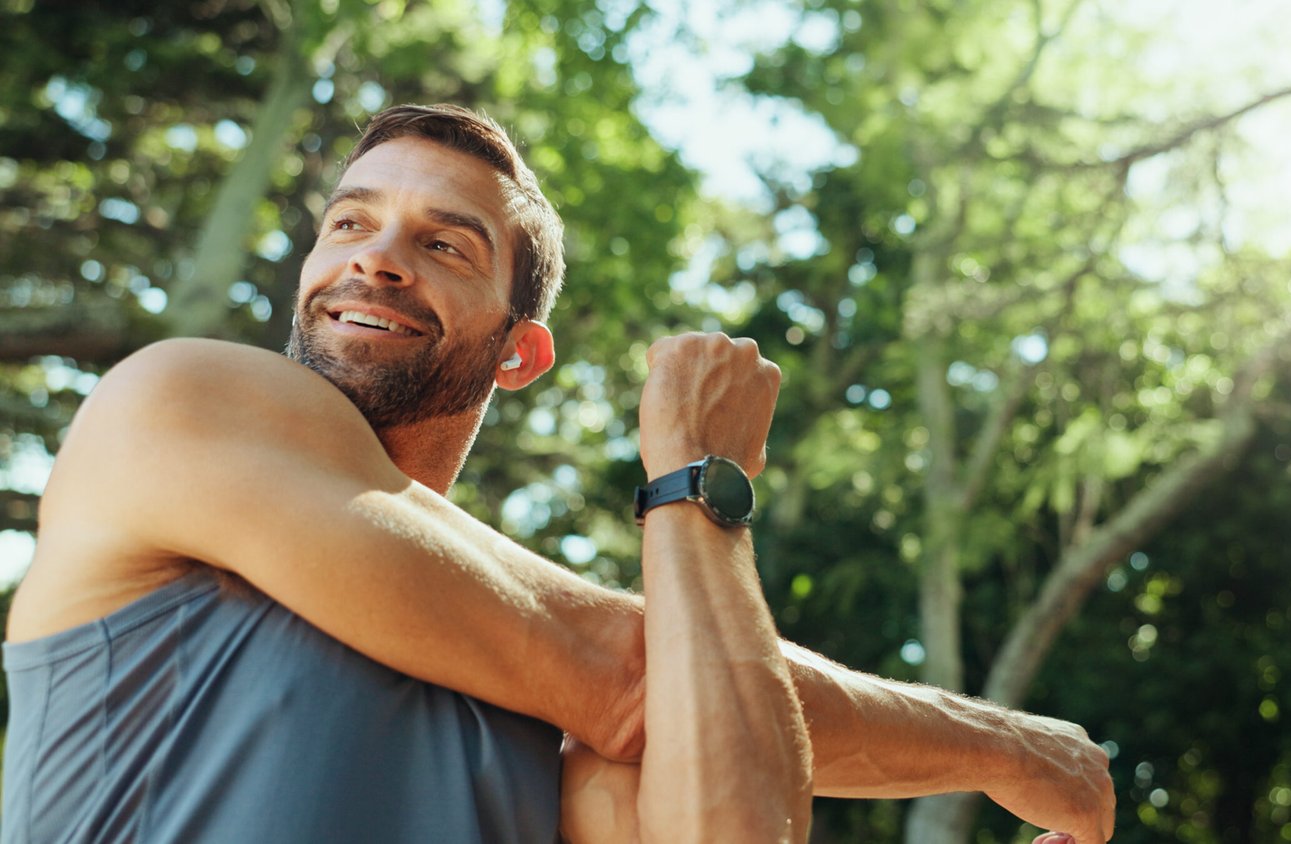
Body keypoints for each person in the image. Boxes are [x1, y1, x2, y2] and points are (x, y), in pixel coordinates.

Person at [2, 104, 1114, 843]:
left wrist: (695, 487)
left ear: (519, 352)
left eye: (445, 243)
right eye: (348, 223)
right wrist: (1012, 748)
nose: (375, 257)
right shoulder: (179, 398)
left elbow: (728, 812)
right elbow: (632, 669)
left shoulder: (540, 734)